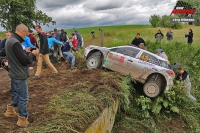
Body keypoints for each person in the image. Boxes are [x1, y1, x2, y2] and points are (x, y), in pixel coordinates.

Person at [4, 24, 38, 127]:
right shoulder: (15, 42)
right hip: (19, 74)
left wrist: (24, 52)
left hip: (14, 72)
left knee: (19, 94)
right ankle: (22, 119)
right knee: (24, 97)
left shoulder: (10, 40)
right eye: (26, 34)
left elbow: (15, 55)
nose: (26, 36)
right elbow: (24, 61)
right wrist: (33, 54)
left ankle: (10, 110)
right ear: (22, 31)